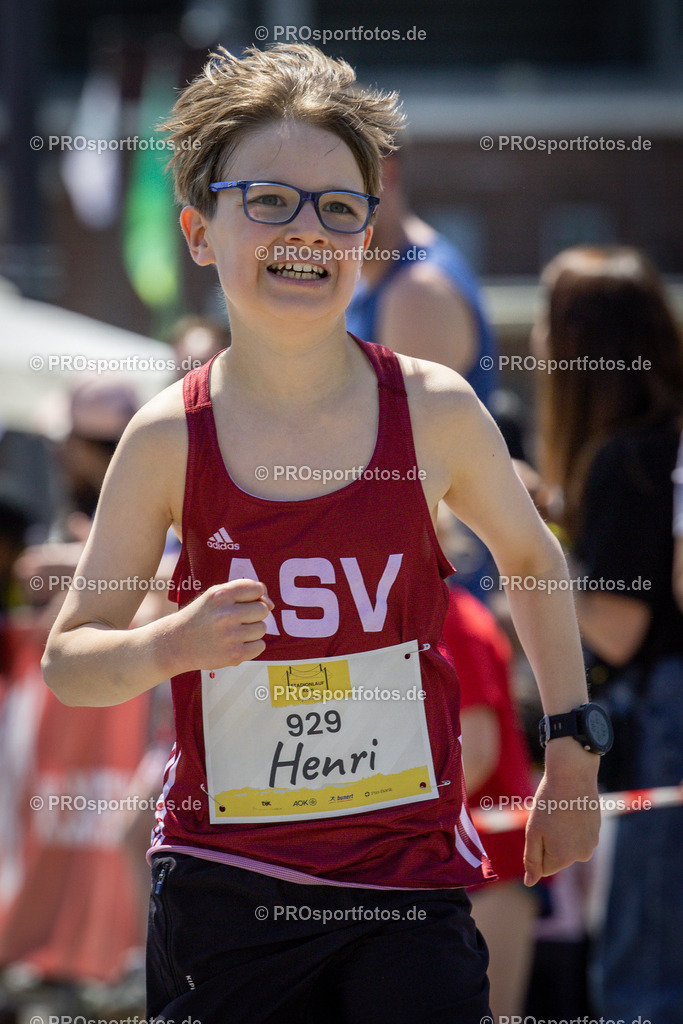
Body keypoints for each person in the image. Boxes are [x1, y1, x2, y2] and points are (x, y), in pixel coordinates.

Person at [43, 44, 603, 1024]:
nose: (307, 229)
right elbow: (72, 658)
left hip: (406, 886)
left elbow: (530, 559)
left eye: (338, 207)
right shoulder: (169, 434)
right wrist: (167, 644)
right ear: (200, 231)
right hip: (227, 888)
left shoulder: (431, 409)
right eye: (267, 199)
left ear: (366, 236)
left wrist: (570, 753)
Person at [533, 246, 683, 1022]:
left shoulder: (627, 456)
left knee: (643, 972)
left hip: (659, 714)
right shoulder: (659, 440)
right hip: (657, 715)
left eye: (548, 320)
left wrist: (533, 552)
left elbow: (619, 628)